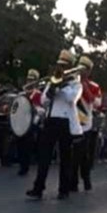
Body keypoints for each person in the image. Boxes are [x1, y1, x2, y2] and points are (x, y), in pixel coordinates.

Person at [26, 50, 82, 200]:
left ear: (70, 67)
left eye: (64, 66)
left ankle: (64, 190)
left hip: (66, 122)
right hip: (51, 120)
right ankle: (38, 188)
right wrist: (51, 89)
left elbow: (72, 99)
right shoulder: (53, 81)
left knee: (65, 158)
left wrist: (61, 86)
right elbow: (43, 101)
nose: (61, 69)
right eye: (59, 66)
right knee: (44, 156)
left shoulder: (76, 84)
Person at [70, 56, 101, 192]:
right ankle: (73, 182)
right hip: (71, 121)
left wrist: (84, 86)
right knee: (73, 155)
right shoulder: (71, 83)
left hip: (85, 124)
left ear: (89, 72)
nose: (81, 71)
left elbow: (97, 103)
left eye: (84, 69)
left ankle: (86, 178)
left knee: (83, 154)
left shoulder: (94, 86)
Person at [16, 69, 43, 176]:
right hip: (21, 121)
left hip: (32, 122)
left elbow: (42, 109)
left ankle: (26, 166)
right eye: (29, 79)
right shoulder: (21, 93)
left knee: (28, 145)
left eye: (32, 80)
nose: (29, 82)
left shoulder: (38, 94)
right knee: (20, 144)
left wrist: (34, 109)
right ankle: (22, 164)